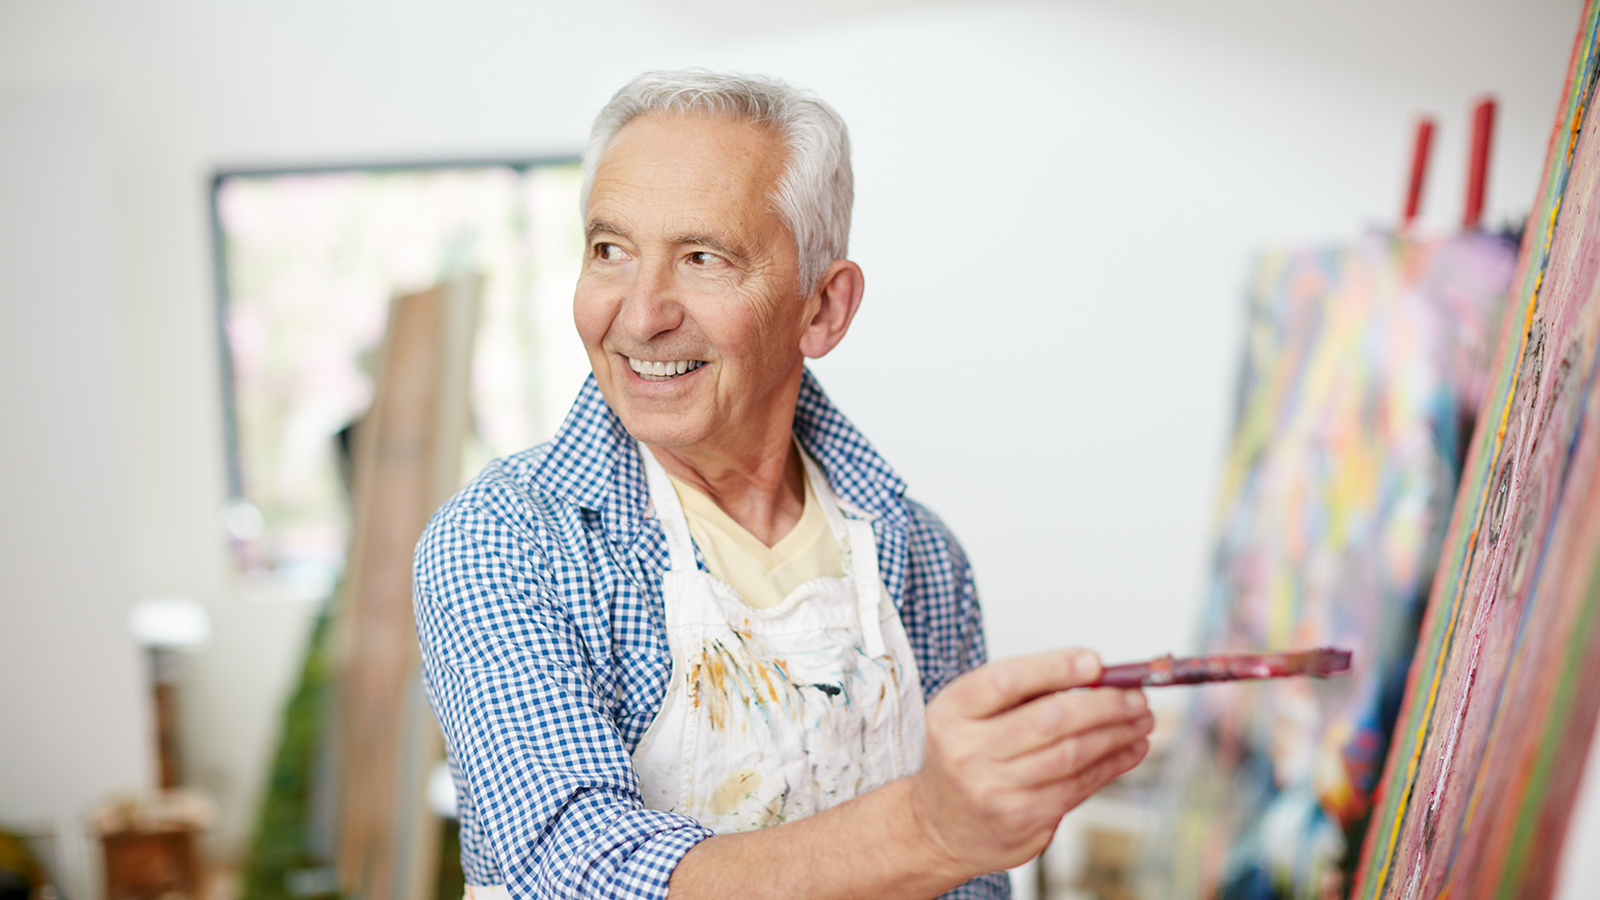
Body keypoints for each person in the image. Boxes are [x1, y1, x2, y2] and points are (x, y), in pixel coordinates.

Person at [413, 70, 1154, 900]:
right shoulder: (508, 539)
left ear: (823, 308)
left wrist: (983, 821)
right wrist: (928, 829)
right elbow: (575, 870)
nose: (642, 313)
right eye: (609, 250)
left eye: (703, 258)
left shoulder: (919, 555)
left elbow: (973, 883)